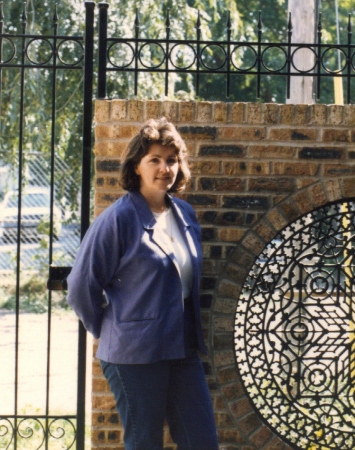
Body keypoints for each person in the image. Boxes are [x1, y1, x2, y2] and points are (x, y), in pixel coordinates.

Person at [67, 117, 219, 450]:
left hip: (182, 349)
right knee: (145, 443)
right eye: (155, 160)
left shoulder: (185, 214)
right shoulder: (118, 218)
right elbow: (80, 287)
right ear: (137, 166)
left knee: (202, 441)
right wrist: (113, 329)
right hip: (135, 355)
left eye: (171, 159)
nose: (165, 168)